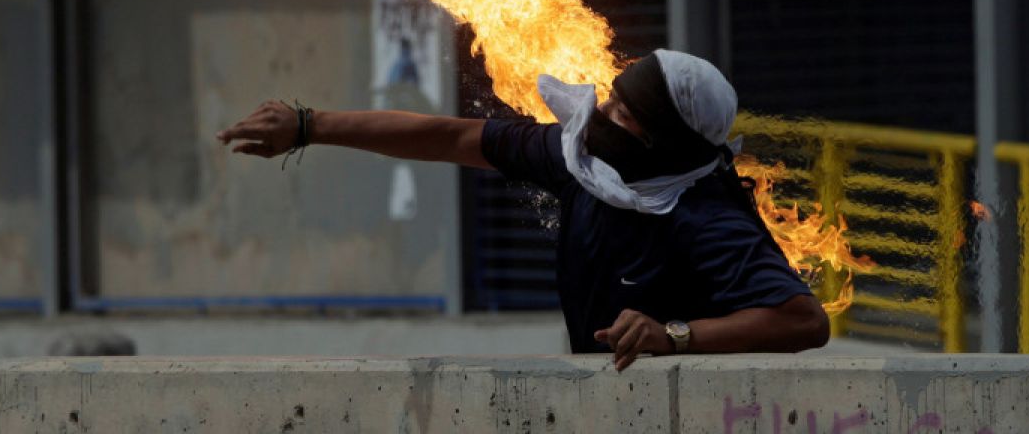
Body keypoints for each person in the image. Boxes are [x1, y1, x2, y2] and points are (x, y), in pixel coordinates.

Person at [216, 49, 830, 370]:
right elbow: (449, 137)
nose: (602, 116)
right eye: (613, 98)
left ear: (662, 144)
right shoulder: (582, 160)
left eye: (624, 115)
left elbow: (805, 322)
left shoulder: (705, 216)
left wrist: (676, 336)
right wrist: (308, 125)